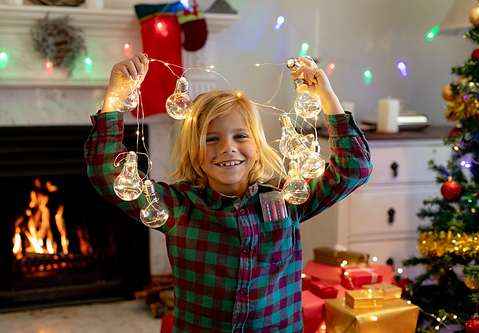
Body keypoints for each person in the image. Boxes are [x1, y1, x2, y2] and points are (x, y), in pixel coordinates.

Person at [85, 52, 372, 333]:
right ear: (193, 153)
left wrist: (328, 100)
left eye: (240, 136)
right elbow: (106, 173)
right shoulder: (178, 207)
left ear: (257, 147)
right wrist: (115, 98)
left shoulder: (288, 198)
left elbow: (354, 169)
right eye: (211, 139)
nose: (228, 147)